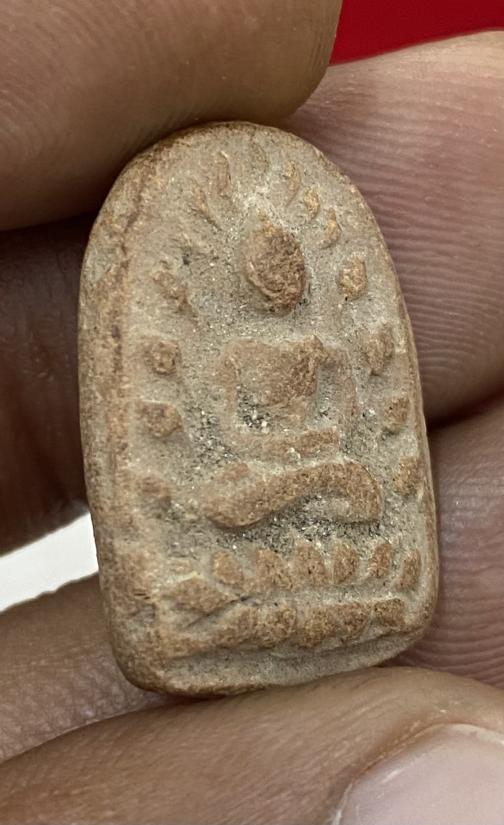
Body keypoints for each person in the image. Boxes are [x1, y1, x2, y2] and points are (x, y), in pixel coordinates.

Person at [0, 2, 503, 822]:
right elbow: (230, 435)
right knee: (228, 495)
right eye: (270, 262)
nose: (286, 275)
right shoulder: (234, 354)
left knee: (356, 487)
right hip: (256, 482)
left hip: (315, 477)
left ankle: (300, 591)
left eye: (291, 260)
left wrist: (317, 455)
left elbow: (347, 431)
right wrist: (278, 467)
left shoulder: (324, 344)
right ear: (245, 271)